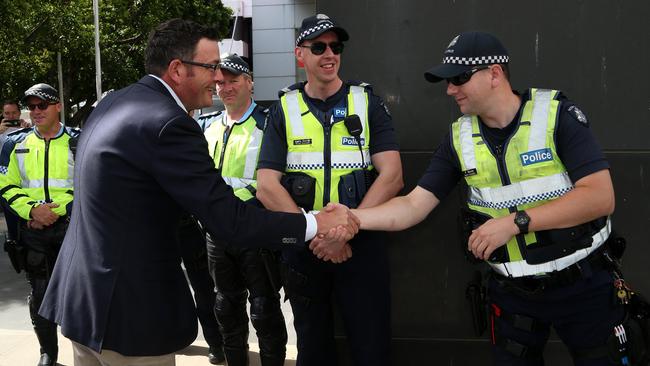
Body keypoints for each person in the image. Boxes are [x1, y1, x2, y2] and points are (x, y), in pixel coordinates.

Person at [38, 18, 356, 366]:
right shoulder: (170, 124)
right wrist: (313, 224)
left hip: (82, 303)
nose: (218, 78)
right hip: (130, 319)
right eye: (211, 67)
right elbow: (229, 221)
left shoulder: (115, 104)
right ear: (177, 69)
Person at [334, 31, 630, 365]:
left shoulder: (557, 116)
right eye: (447, 81)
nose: (450, 89)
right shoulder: (459, 138)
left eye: (459, 78)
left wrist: (515, 224)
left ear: (495, 73)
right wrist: (353, 217)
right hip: (514, 295)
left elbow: (600, 197)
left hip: (582, 286)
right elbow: (413, 205)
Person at [256, 14, 404, 366]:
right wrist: (316, 236)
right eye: (319, 46)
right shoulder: (283, 110)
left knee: (372, 349)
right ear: (299, 55)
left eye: (336, 47)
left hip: (361, 246)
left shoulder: (367, 103)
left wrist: (346, 230)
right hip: (305, 250)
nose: (329, 54)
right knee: (313, 350)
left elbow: (393, 175)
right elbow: (266, 186)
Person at [201, 54, 288, 366]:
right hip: (218, 234)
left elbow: (275, 180)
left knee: (264, 309)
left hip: (255, 231)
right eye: (220, 82)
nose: (225, 88)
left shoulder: (269, 123)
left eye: (233, 80)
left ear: (250, 82)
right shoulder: (207, 127)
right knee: (225, 307)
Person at [0, 83, 79, 366]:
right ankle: (49, 354)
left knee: (78, 293)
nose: (35, 111)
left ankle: (86, 353)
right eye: (31, 107)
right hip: (32, 231)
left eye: (42, 105)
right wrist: (32, 211)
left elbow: (88, 183)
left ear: (58, 105)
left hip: (70, 229)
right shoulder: (14, 142)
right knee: (40, 294)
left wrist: (59, 210)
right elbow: (5, 185)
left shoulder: (77, 140)